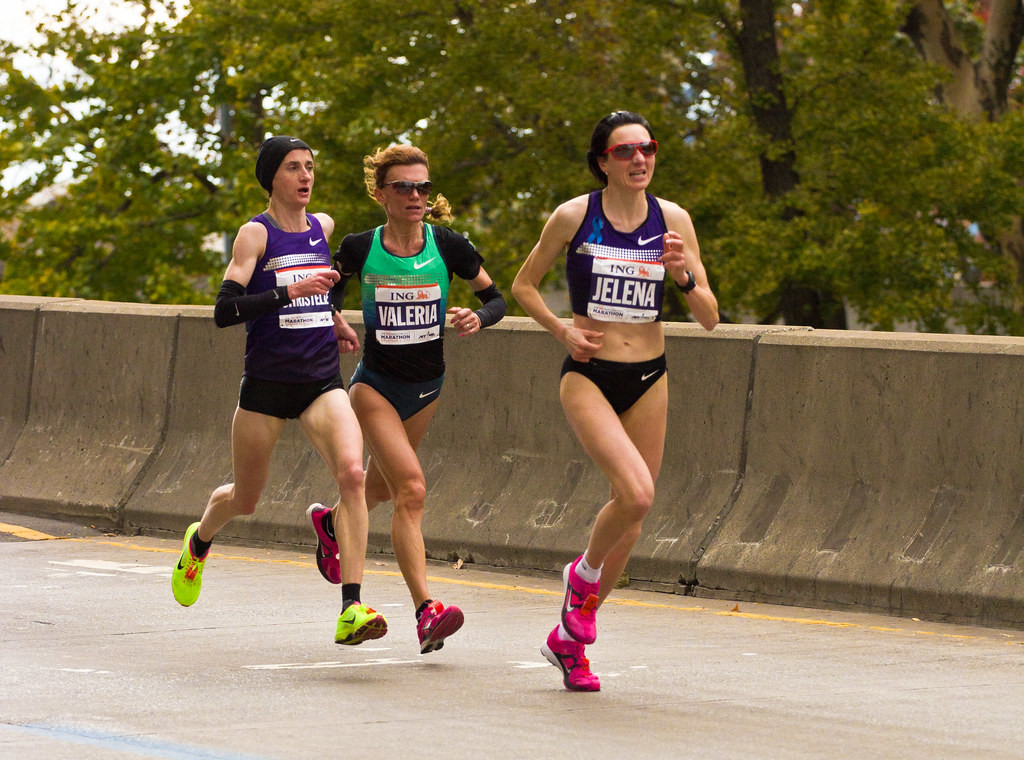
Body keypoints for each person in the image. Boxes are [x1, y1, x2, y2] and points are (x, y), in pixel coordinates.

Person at [511, 111, 719, 691]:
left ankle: (570, 643)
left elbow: (709, 317)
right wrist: (562, 331)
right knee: (636, 493)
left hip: (650, 375)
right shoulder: (574, 215)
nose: (639, 159)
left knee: (632, 515)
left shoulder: (672, 220)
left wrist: (681, 276)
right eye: (625, 151)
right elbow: (523, 285)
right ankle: (582, 577)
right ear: (602, 161)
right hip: (589, 374)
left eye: (647, 148)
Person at [171, 135, 388, 647]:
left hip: (320, 380)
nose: (305, 176)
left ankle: (351, 607)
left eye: (310, 166)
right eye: (293, 167)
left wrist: (335, 317)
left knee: (352, 476)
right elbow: (225, 311)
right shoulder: (255, 234)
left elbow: (324, 287)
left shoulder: (322, 227)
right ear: (272, 177)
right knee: (244, 499)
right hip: (267, 385)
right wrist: (289, 291)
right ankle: (199, 541)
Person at [307, 144, 506, 654]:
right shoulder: (359, 247)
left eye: (423, 187)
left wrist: (478, 317)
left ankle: (331, 522)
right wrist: (335, 318)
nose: (416, 195)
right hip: (375, 385)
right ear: (381, 194)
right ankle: (425, 611)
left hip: (428, 387)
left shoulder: (449, 245)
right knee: (412, 490)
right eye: (404, 187)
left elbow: (496, 299)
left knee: (379, 489)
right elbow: (329, 291)